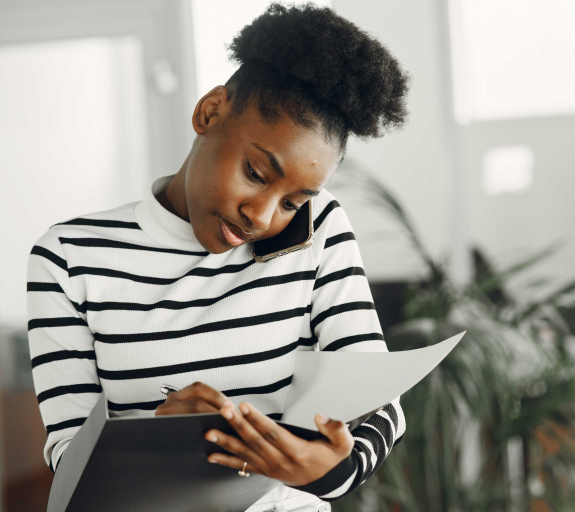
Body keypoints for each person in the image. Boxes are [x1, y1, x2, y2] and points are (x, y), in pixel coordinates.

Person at [25, 3, 410, 510]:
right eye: (255, 172)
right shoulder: (70, 258)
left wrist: (329, 470)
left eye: (293, 201)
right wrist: (157, 443)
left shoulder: (318, 230)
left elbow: (380, 406)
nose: (262, 215)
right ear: (210, 112)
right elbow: (66, 457)